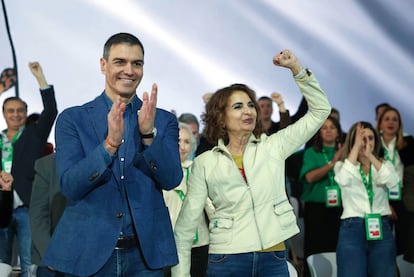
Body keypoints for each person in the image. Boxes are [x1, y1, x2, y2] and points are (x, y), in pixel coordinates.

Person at [171, 50, 331, 277]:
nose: (248, 110)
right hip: (227, 260)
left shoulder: (273, 146)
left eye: (250, 105)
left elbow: (321, 111)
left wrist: (297, 69)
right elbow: (185, 230)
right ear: (220, 116)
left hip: (273, 258)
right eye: (238, 106)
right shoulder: (205, 162)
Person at [42, 32, 183, 276]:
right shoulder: (73, 119)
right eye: (120, 62)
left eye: (136, 63)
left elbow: (172, 179)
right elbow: (70, 186)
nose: (129, 70)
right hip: (88, 254)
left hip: (145, 258)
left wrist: (149, 135)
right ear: (103, 64)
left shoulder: (163, 120)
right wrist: (108, 146)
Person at [0, 62, 57, 277]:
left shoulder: (34, 134)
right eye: (10, 111)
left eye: (20, 110)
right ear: (4, 113)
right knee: (1, 265)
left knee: (30, 265)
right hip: (0, 208)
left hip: (28, 207)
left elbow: (51, 111)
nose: (15, 114)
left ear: (25, 113)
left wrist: (40, 78)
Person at [334, 121, 398, 277]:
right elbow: (342, 180)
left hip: (381, 226)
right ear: (353, 141)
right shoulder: (343, 165)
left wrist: (370, 155)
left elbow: (392, 182)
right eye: (361, 138)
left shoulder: (384, 164)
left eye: (370, 138)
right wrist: (356, 148)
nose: (366, 142)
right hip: (352, 229)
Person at [163, 123, 209, 277]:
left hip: (199, 243)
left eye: (187, 142)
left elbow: (211, 207)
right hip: (168, 243)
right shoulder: (159, 172)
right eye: (178, 141)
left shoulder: (199, 169)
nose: (182, 146)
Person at [299, 116, 343, 276]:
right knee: (317, 252)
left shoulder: (346, 153)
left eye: (332, 127)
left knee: (339, 252)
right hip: (317, 211)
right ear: (318, 132)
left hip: (341, 209)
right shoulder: (311, 152)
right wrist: (332, 164)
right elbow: (310, 177)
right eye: (324, 128)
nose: (329, 130)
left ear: (338, 131)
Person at [376, 106, 414, 260]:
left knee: (404, 243)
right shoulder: (373, 144)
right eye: (387, 119)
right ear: (380, 123)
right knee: (381, 246)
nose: (391, 122)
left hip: (402, 198)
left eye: (395, 119)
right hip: (379, 197)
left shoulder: (408, 143)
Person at [29, 153, 67, 277]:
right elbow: (38, 215)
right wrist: (49, 254)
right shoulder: (47, 165)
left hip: (93, 260)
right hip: (52, 262)